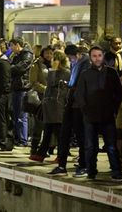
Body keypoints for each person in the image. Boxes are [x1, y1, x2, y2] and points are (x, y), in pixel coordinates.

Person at [75, 46, 122, 181]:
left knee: (111, 146)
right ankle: (91, 171)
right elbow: (80, 94)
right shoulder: (85, 74)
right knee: (90, 146)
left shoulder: (112, 73)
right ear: (90, 58)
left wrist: (114, 108)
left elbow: (119, 92)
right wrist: (85, 110)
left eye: (99, 55)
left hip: (107, 115)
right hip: (90, 116)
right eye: (94, 56)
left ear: (103, 56)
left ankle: (116, 171)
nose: (97, 58)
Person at [48, 44, 90, 176]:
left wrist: (71, 86)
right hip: (71, 101)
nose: (70, 60)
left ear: (76, 54)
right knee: (63, 134)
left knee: (81, 135)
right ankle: (62, 165)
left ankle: (84, 164)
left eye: (71, 57)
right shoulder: (75, 64)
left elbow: (81, 83)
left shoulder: (85, 63)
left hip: (79, 104)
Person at [29, 50, 70, 162]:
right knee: (48, 130)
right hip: (50, 105)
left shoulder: (65, 72)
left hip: (57, 106)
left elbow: (52, 84)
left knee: (58, 132)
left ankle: (61, 156)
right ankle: (41, 154)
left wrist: (53, 70)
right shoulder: (56, 72)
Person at [9, 37, 34, 147]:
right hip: (16, 87)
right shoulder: (16, 56)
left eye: (11, 45)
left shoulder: (27, 55)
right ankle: (18, 138)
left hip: (23, 88)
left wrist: (11, 68)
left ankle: (23, 140)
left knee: (21, 116)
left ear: (17, 45)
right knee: (15, 115)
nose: (10, 48)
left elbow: (20, 68)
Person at [29, 45, 53, 154]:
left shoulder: (55, 64)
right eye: (47, 53)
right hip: (40, 96)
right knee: (39, 123)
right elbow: (33, 82)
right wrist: (45, 89)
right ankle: (34, 147)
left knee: (50, 124)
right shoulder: (36, 65)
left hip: (52, 99)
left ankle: (47, 147)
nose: (49, 55)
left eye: (51, 53)